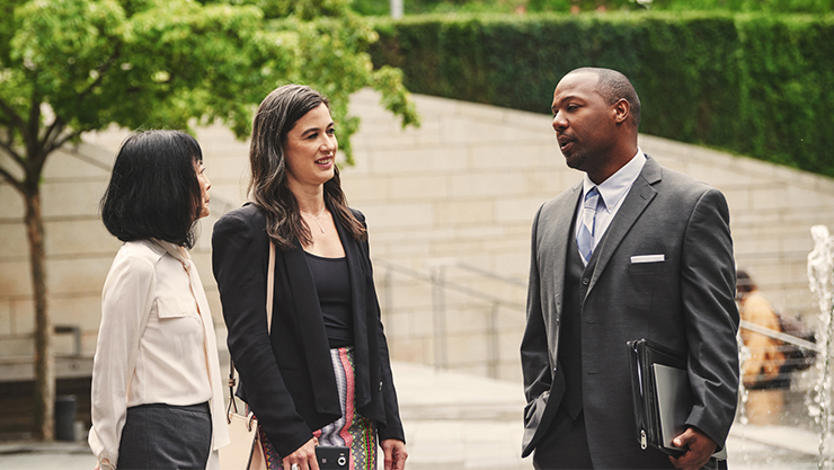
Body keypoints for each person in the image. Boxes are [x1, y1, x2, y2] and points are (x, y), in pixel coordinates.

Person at [520, 67, 739, 469]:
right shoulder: (548, 217)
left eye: (572, 107)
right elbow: (537, 335)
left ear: (619, 111)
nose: (557, 121)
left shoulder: (690, 205)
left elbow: (715, 329)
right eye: (554, 111)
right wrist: (539, 411)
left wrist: (709, 423)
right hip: (563, 450)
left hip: (662, 448)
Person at [212, 84, 408, 470]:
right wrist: (290, 433)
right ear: (278, 148)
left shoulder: (353, 224)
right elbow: (249, 341)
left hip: (361, 426)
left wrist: (391, 424)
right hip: (293, 431)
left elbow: (373, 329)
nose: (327, 145)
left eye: (330, 132)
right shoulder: (247, 229)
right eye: (311, 135)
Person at [89, 130, 229, 469]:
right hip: (155, 434)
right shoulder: (137, 263)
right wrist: (106, 454)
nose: (207, 183)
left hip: (193, 432)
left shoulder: (178, 260)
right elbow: (110, 365)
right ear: (168, 185)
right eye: (198, 171)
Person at [736, 269, 787, 424]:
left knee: (763, 419)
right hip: (764, 368)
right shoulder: (750, 303)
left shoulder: (755, 304)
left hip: (765, 370)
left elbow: (759, 341)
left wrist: (749, 373)